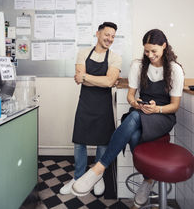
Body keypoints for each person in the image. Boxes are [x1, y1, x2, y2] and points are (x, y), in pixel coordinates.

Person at [71, 29, 184, 208]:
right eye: (147, 51)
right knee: (133, 128)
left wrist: (157, 109)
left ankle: (99, 168)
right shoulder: (138, 66)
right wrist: (137, 103)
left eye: (154, 51)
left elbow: (174, 106)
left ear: (164, 46)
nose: (150, 55)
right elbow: (130, 97)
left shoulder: (175, 70)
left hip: (163, 116)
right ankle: (147, 181)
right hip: (141, 111)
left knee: (132, 119)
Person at [60, 22, 122, 196]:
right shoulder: (83, 53)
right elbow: (80, 80)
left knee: (103, 142)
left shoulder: (115, 57)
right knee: (80, 141)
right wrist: (101, 80)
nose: (110, 39)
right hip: (85, 103)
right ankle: (78, 176)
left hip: (103, 105)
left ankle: (97, 175)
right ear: (98, 33)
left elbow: (108, 82)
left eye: (113, 36)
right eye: (107, 34)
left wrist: (86, 76)